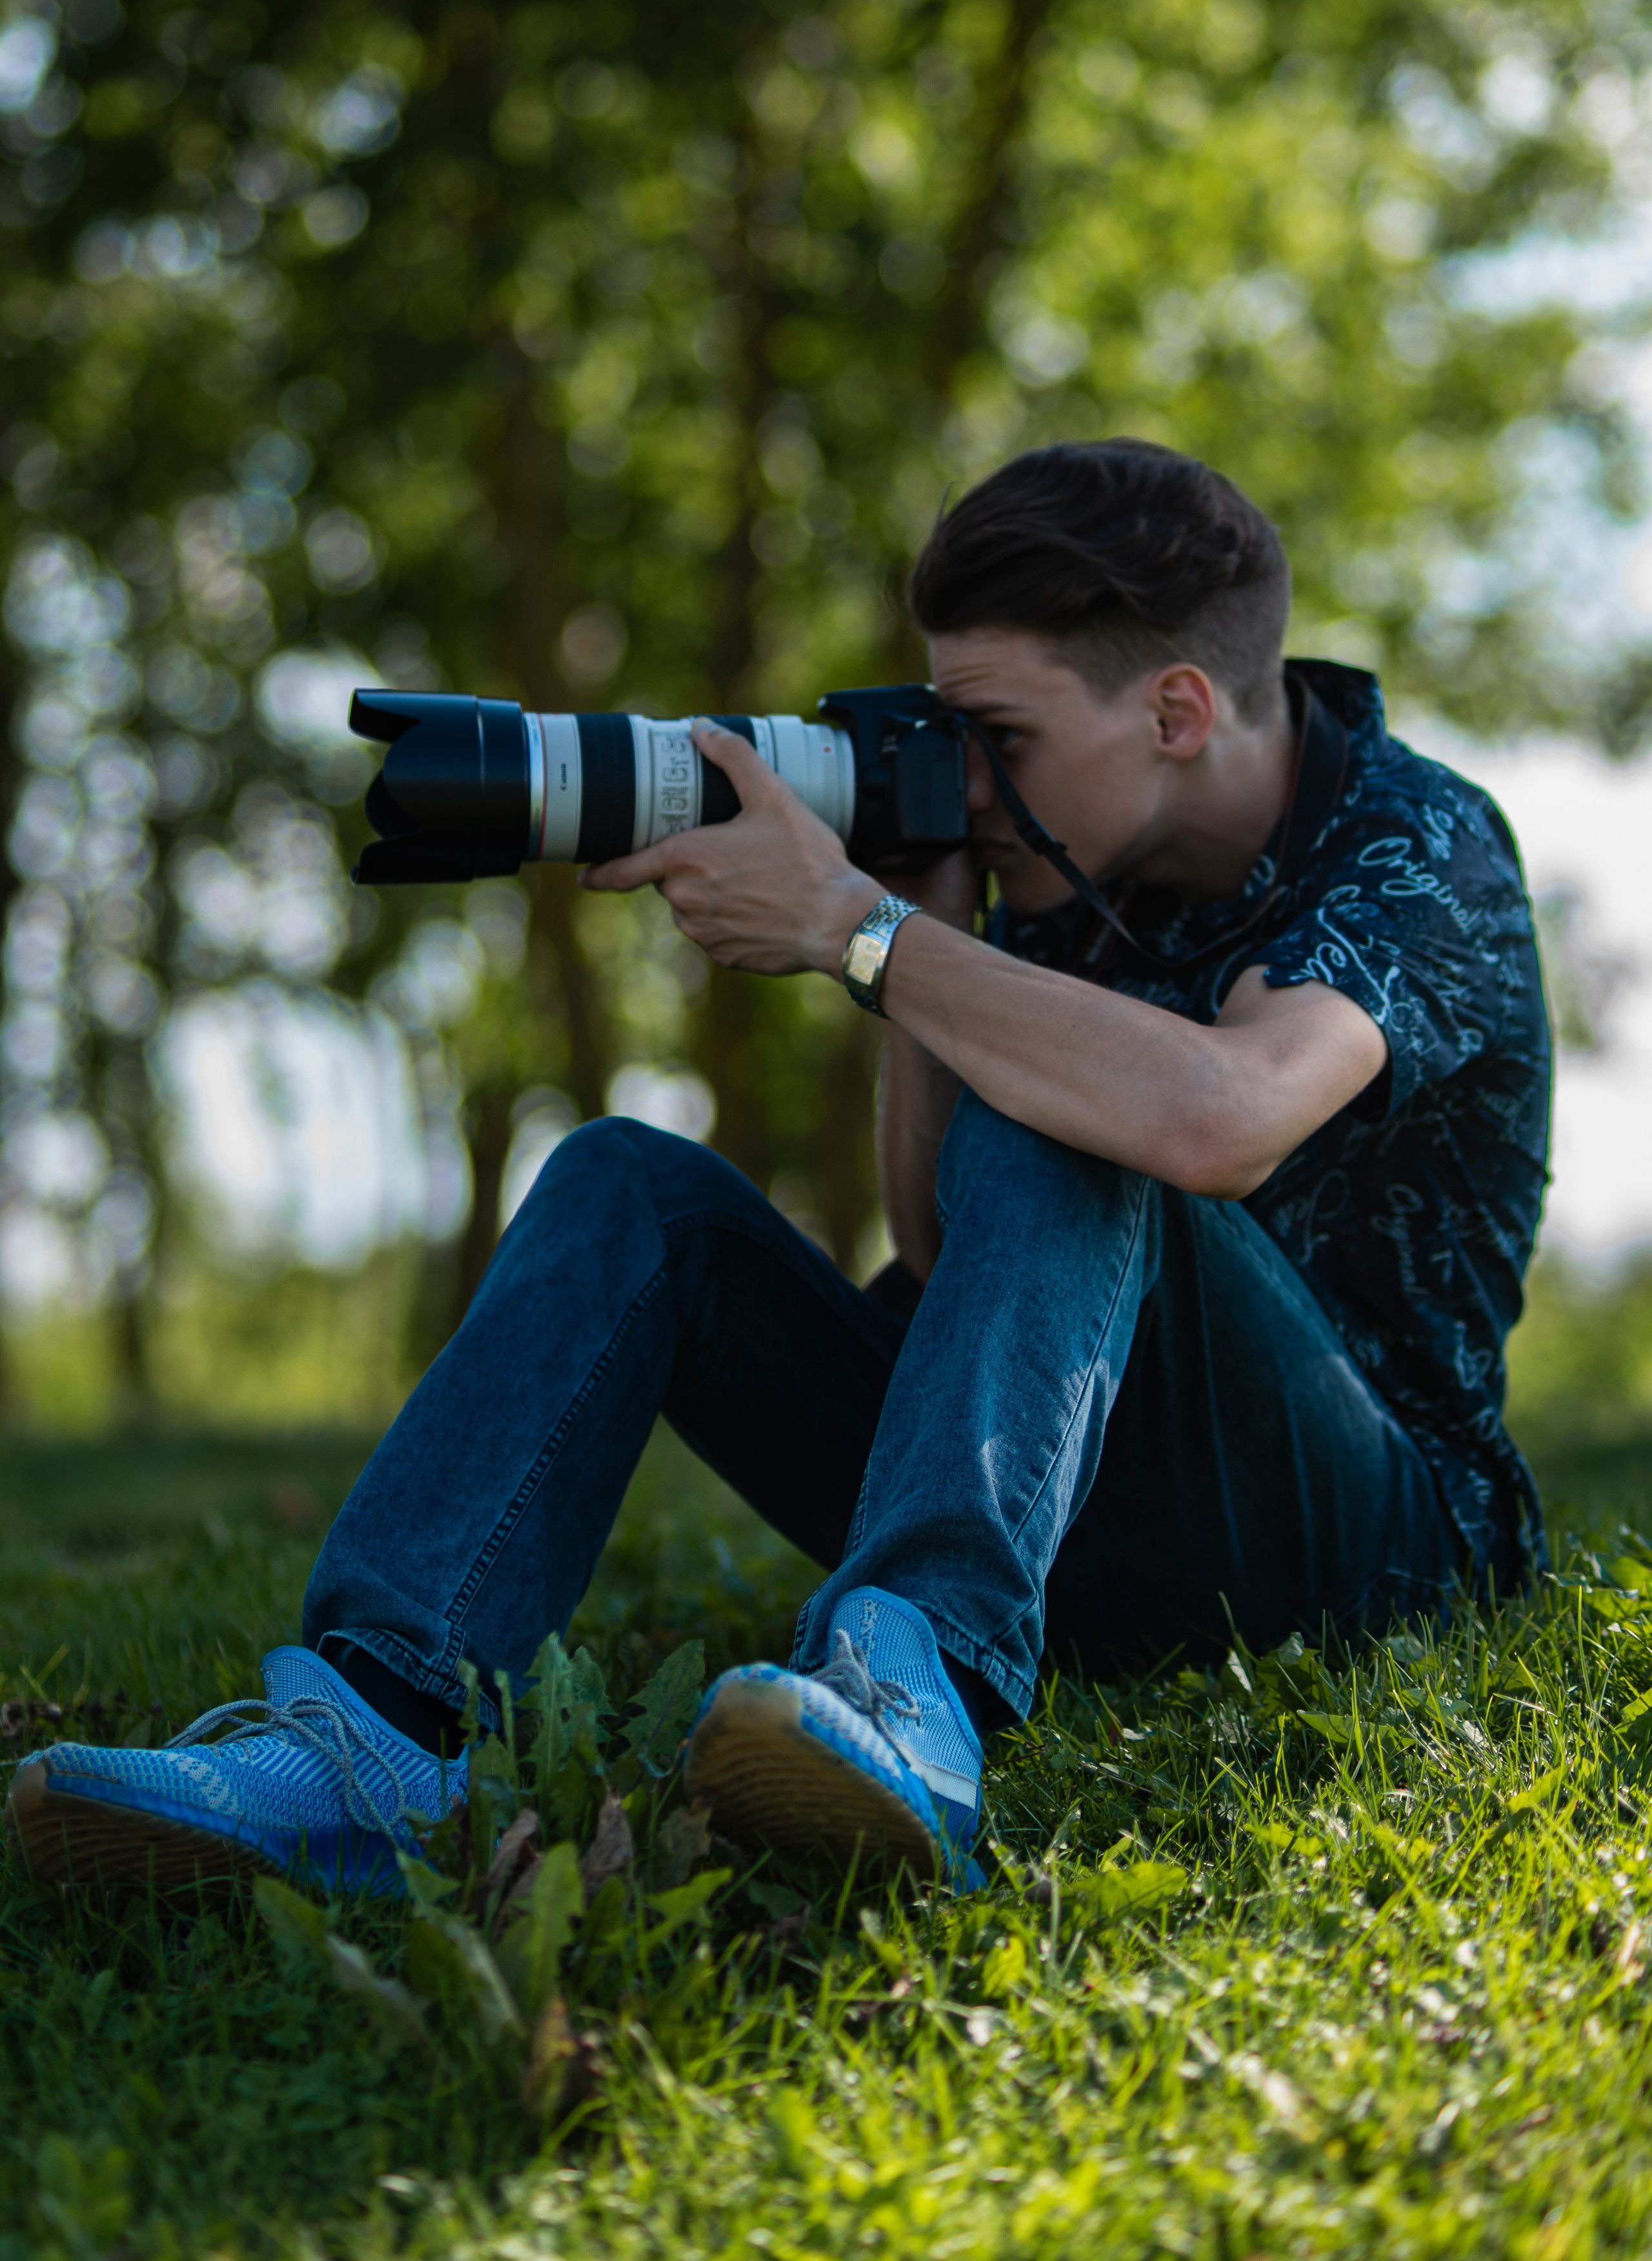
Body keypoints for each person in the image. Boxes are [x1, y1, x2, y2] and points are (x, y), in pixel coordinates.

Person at [6, 439, 1551, 1900]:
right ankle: (368, 1742)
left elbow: (1217, 1115)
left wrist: (861, 936)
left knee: (1093, 1091)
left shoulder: (1416, 844)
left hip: (1364, 1552)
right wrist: (929, 919)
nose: (963, 773)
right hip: (1073, 1524)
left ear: (1172, 710)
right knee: (630, 1180)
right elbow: (943, 1252)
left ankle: (910, 1688)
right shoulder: (1057, 858)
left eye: (995, 740)